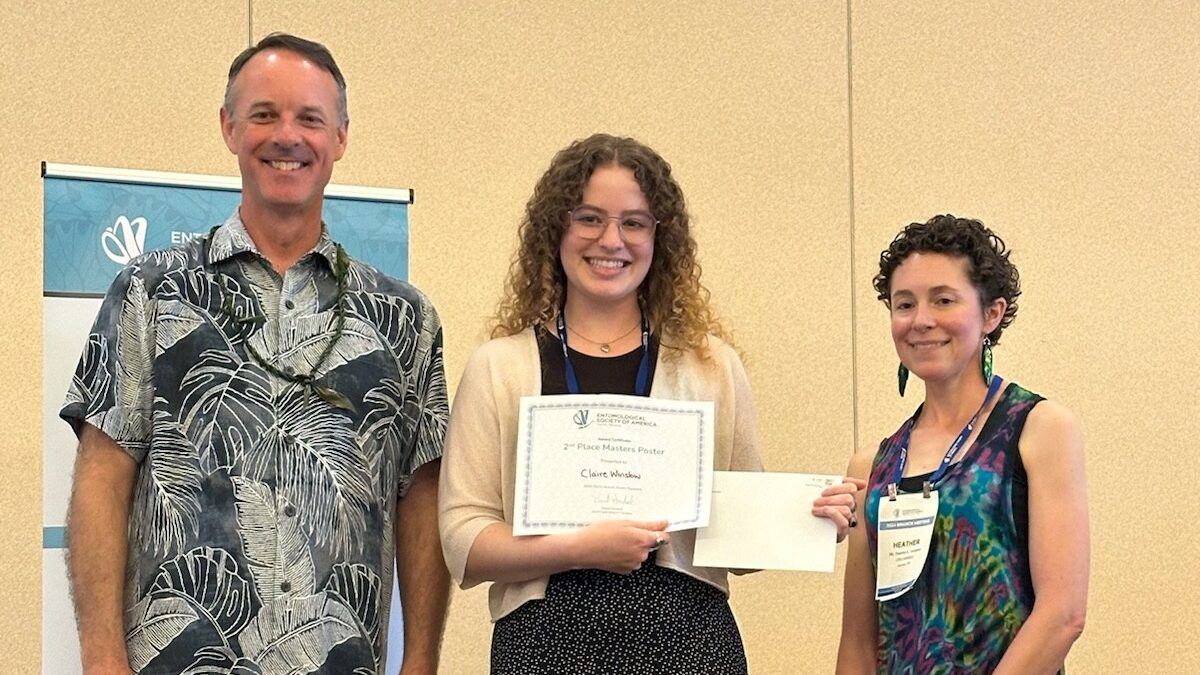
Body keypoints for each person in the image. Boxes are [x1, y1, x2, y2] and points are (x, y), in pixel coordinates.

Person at [61, 33, 450, 675]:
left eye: (310, 119)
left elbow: (423, 498)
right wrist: (100, 657)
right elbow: (102, 478)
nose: (287, 136)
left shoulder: (405, 317)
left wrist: (422, 662)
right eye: (264, 114)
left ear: (341, 138)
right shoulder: (150, 292)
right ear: (229, 127)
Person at [438, 133, 861, 674]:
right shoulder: (498, 368)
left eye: (634, 223)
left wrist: (811, 516)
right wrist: (579, 549)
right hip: (544, 645)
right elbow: (463, 541)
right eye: (589, 218)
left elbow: (734, 530)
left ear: (661, 238)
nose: (611, 240)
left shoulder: (712, 366)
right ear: (556, 228)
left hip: (691, 643)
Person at [836, 215, 1089, 674]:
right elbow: (858, 641)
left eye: (944, 300)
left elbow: (1062, 616)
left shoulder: (1039, 429)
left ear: (991, 313)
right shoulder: (871, 464)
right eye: (904, 304)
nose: (921, 321)